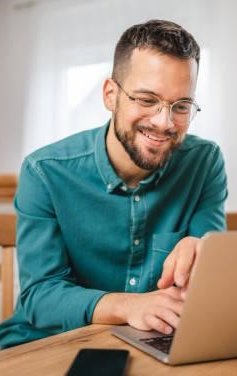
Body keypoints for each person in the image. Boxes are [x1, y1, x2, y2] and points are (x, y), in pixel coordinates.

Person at [0, 20, 227, 349]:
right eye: (147, 100)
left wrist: (203, 260)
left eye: (181, 106)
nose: (164, 123)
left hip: (152, 343)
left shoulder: (204, 162)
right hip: (47, 342)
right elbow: (40, 297)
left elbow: (206, 284)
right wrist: (128, 305)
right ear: (110, 94)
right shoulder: (44, 171)